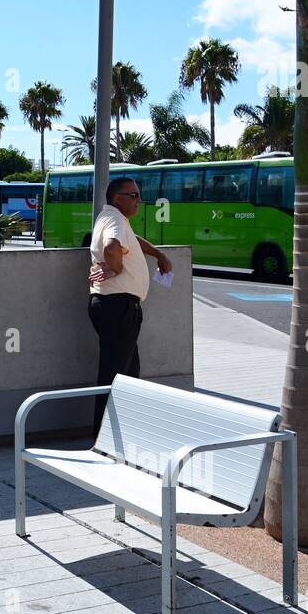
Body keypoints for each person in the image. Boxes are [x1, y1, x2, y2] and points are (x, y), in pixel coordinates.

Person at [87, 177, 173, 429]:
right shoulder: (114, 221)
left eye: (138, 195)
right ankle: (101, 439)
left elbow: (129, 240)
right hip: (117, 306)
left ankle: (124, 431)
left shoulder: (114, 219)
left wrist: (158, 253)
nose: (139, 200)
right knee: (114, 376)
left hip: (117, 307)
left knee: (128, 375)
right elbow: (113, 247)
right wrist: (115, 268)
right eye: (133, 195)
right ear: (117, 198)